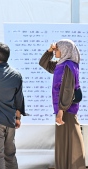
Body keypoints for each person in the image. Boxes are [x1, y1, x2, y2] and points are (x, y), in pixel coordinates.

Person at [39, 39, 85, 169]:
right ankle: (65, 165)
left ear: (65, 50)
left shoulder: (68, 66)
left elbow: (67, 90)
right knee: (64, 139)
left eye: (57, 49)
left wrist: (61, 110)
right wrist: (49, 52)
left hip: (66, 109)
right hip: (64, 108)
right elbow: (43, 63)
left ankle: (76, 166)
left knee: (72, 138)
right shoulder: (63, 64)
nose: (56, 51)